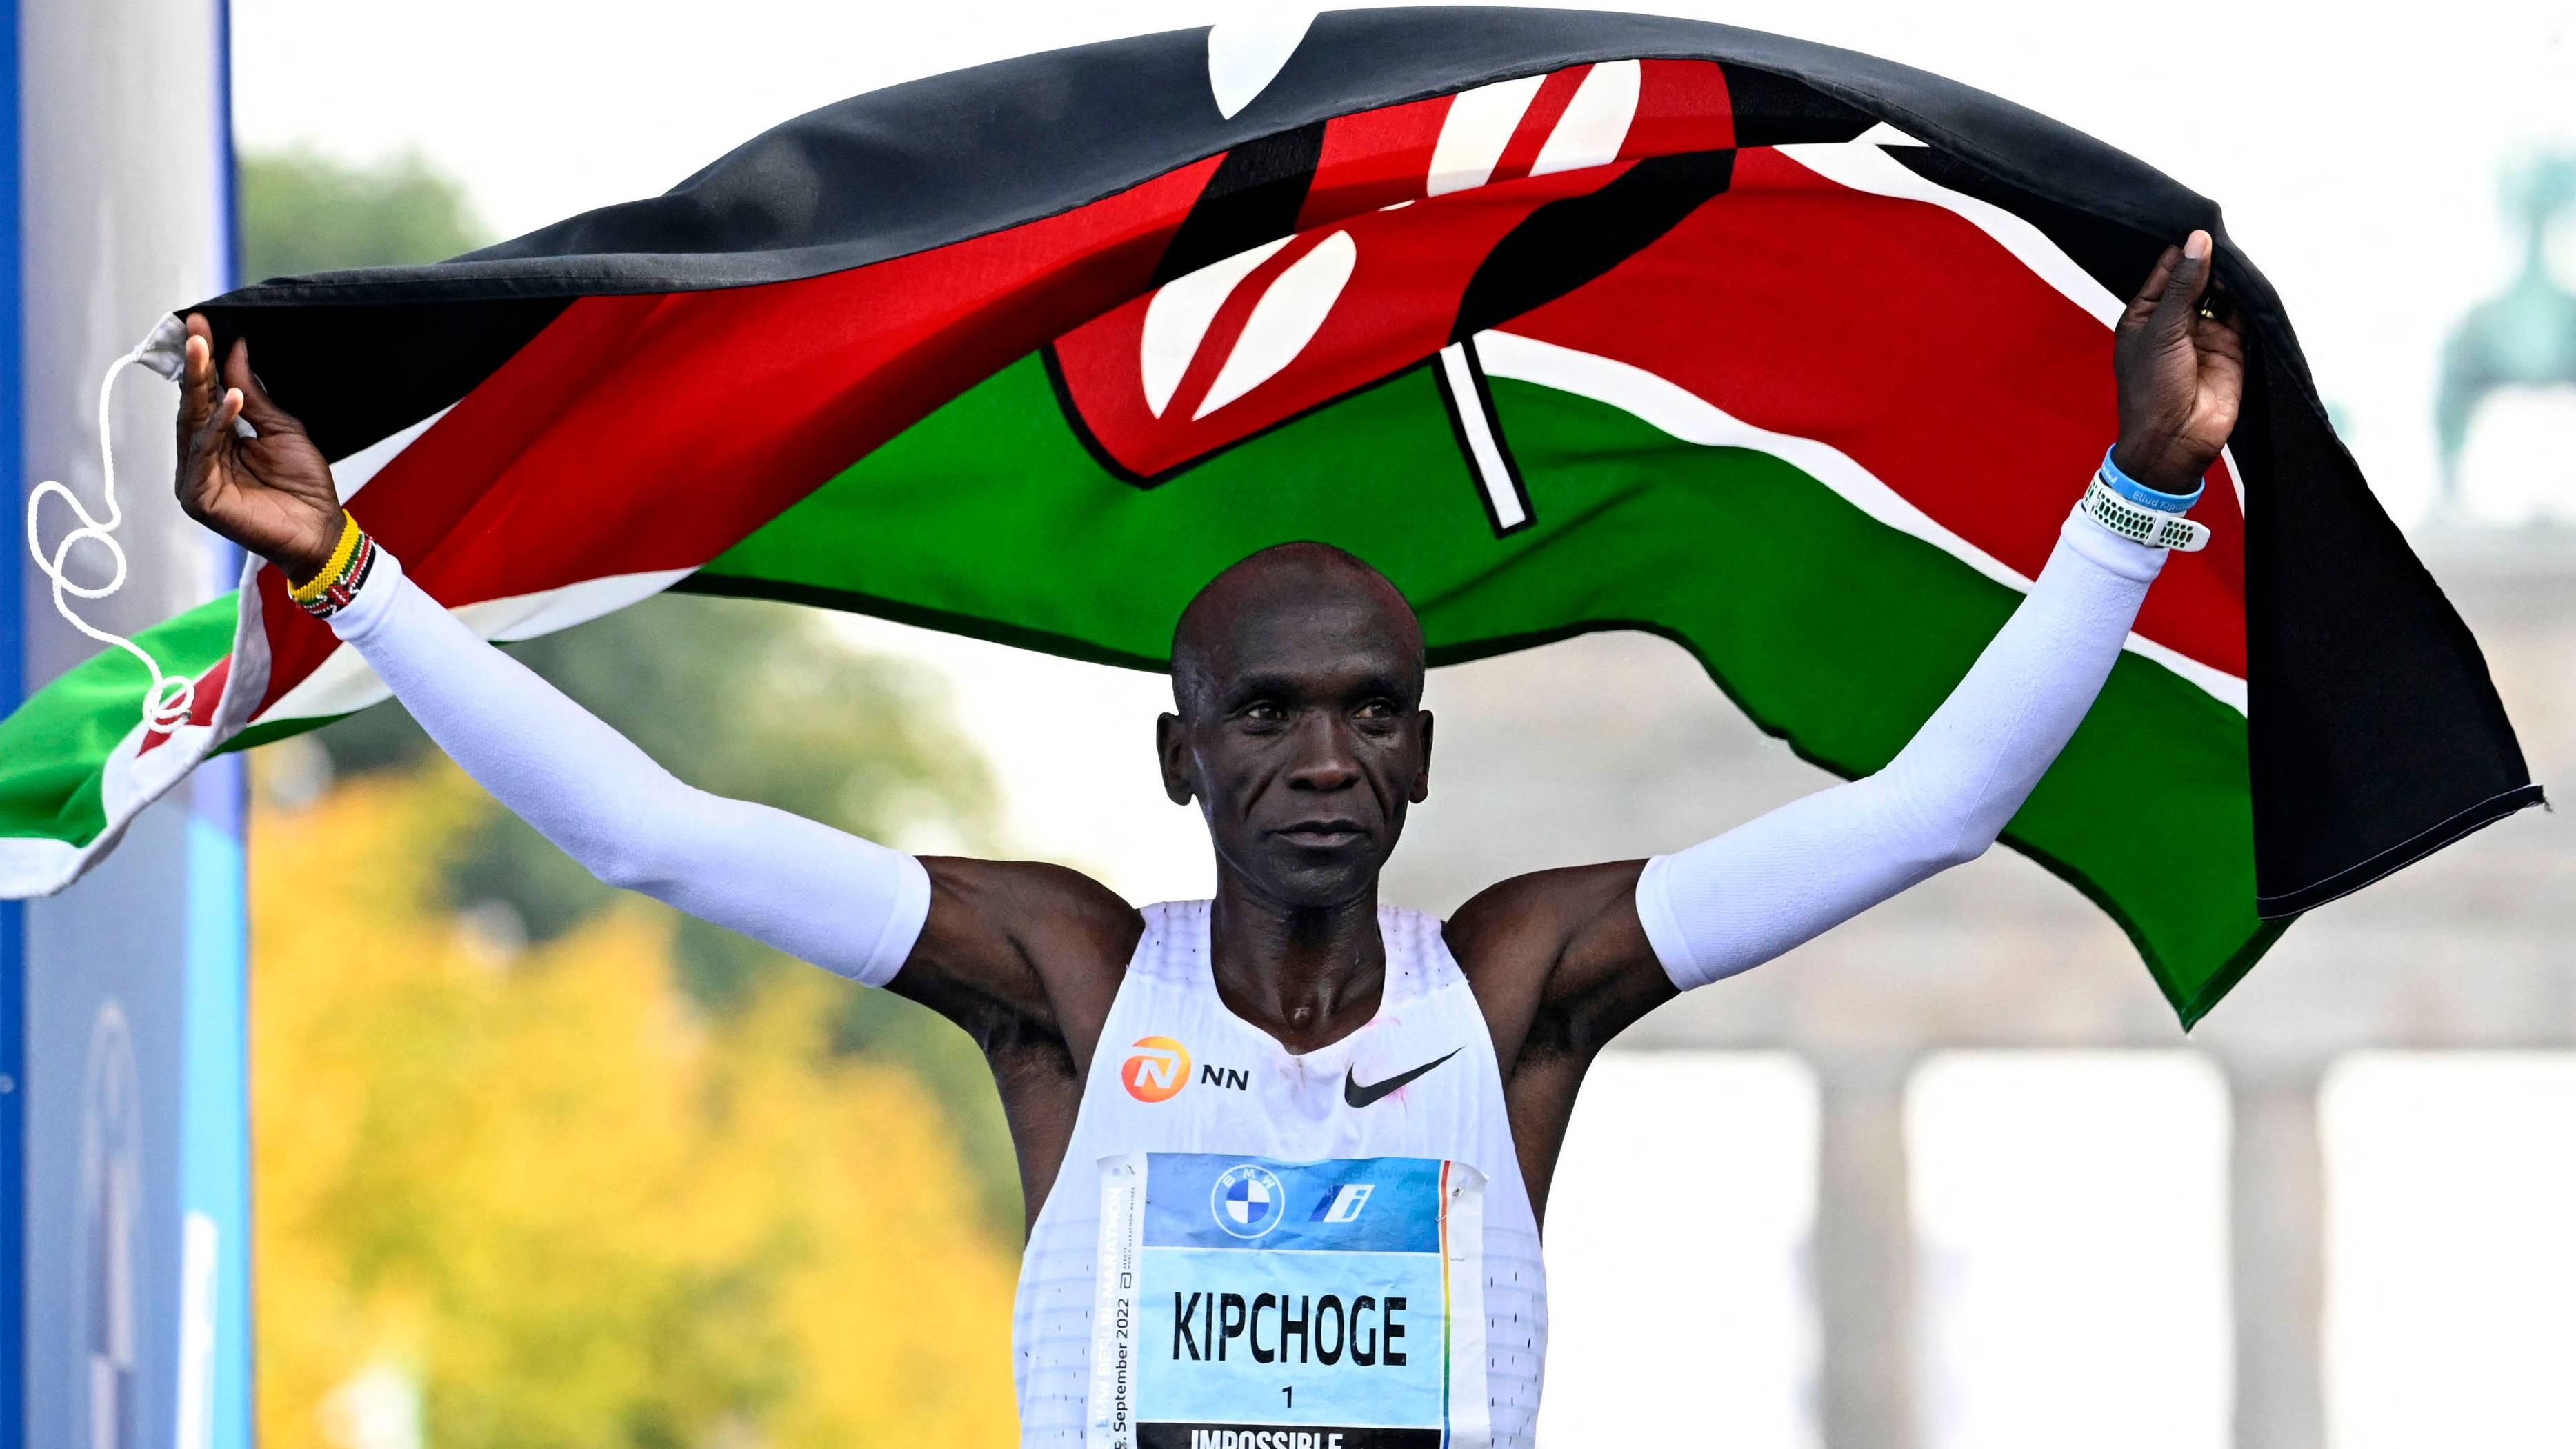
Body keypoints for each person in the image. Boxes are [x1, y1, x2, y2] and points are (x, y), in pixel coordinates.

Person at [176, 230, 2242, 1448]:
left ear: (1423, 757)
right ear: (1183, 760)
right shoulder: (1071, 980)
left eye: (1369, 713)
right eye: (1267, 716)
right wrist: (351, 574)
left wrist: (2140, 494)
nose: (1321, 757)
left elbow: (1930, 809)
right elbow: (659, 841)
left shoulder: (1516, 985)